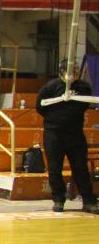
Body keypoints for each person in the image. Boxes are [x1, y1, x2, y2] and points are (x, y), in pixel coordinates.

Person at [36, 59, 98, 214]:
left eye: (76, 70)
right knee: (54, 168)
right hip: (54, 133)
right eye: (71, 70)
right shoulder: (51, 87)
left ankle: (89, 201)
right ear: (62, 72)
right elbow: (40, 106)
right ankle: (58, 200)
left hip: (75, 134)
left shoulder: (83, 87)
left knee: (80, 167)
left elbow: (83, 105)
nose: (75, 73)